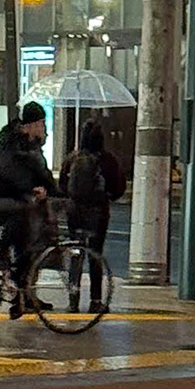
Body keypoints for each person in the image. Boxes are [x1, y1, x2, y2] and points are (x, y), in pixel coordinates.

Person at [0, 102, 58, 316]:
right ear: (29, 125)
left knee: (31, 244)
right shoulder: (11, 144)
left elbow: (43, 174)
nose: (43, 128)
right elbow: (11, 174)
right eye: (40, 124)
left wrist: (55, 192)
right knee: (22, 213)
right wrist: (30, 189)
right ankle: (0, 252)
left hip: (19, 198)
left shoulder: (33, 147)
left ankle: (24, 295)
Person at [59, 120, 125, 311]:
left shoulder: (72, 159)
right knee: (95, 255)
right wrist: (107, 196)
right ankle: (95, 301)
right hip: (98, 214)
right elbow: (118, 188)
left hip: (75, 213)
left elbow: (62, 186)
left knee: (76, 254)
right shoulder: (107, 160)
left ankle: (73, 300)